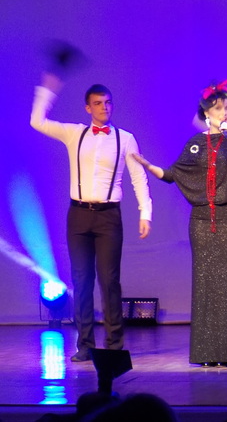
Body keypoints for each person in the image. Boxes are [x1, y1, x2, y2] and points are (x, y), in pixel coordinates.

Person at [30, 73, 152, 363]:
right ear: (88, 108)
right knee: (81, 280)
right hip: (79, 215)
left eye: (107, 103)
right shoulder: (75, 134)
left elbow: (138, 177)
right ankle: (85, 344)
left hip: (109, 216)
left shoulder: (125, 139)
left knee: (109, 281)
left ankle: (114, 344)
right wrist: (48, 90)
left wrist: (145, 212)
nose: (104, 107)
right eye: (98, 103)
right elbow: (37, 122)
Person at [133, 80, 227, 365]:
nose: (224, 113)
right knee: (205, 285)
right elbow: (173, 174)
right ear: (206, 112)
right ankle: (206, 353)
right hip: (201, 223)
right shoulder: (196, 144)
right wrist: (149, 167)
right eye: (218, 108)